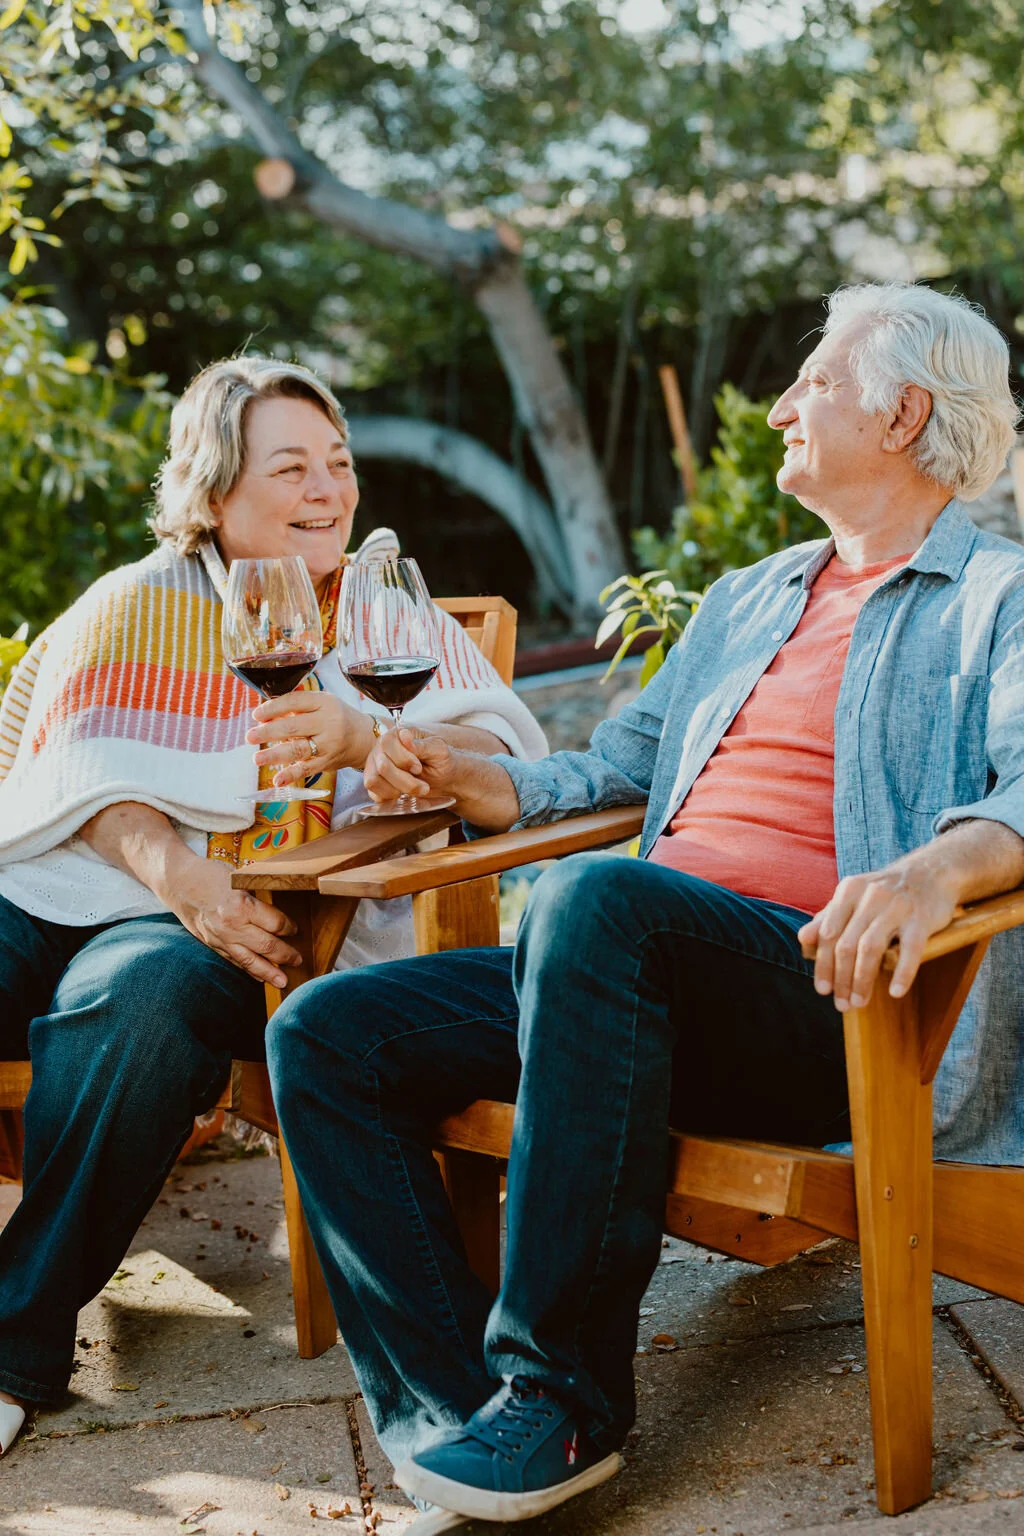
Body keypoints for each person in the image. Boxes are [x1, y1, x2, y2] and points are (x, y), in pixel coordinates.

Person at [266, 283, 1024, 1532]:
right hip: (616, 981)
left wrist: (933, 869)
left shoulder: (997, 597)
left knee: (599, 901)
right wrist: (478, 779)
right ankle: (458, 1423)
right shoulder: (750, 597)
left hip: (834, 1000)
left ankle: (560, 1400)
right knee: (327, 1035)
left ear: (899, 414)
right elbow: (604, 774)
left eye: (814, 384)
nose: (781, 407)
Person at [0, 356, 546, 1456]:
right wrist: (176, 871)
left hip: (224, 939)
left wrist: (400, 753)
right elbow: (71, 779)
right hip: (86, 891)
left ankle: (12, 1346)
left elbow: (494, 743)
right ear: (211, 496)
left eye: (338, 464)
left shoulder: (382, 607)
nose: (328, 489)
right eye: (290, 467)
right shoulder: (139, 603)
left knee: (145, 993)